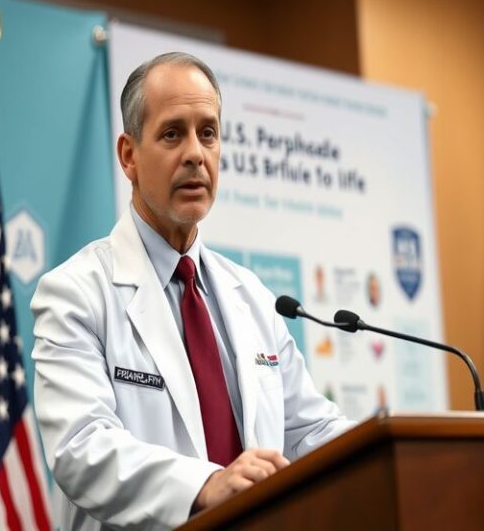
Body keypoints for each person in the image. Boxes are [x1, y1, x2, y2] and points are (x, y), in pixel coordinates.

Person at [30, 52, 352, 530]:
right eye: (172, 133)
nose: (195, 154)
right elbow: (82, 447)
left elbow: (310, 429)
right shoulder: (76, 293)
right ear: (128, 155)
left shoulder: (253, 297)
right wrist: (204, 485)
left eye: (208, 133)